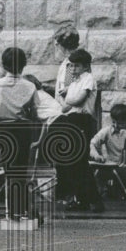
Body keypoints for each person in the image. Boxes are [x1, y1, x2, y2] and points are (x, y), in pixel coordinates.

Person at [30, 74, 104, 212]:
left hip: (59, 127)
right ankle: (87, 200)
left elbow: (35, 116)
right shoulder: (44, 96)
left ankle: (86, 199)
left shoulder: (34, 96)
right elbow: (46, 121)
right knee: (76, 165)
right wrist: (39, 141)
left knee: (72, 166)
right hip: (66, 124)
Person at [0, 47, 40, 221]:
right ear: (23, 65)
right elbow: (35, 112)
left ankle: (13, 211)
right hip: (23, 129)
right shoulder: (30, 86)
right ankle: (23, 209)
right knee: (21, 170)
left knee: (9, 170)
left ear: (4, 65)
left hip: (3, 129)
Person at [53, 26, 81, 100]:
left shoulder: (77, 62)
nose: (56, 45)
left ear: (63, 44)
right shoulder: (66, 61)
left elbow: (81, 86)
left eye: (57, 42)